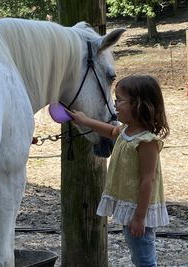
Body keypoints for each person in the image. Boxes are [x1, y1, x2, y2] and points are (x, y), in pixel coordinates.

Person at [67, 74, 170, 267]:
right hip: (131, 206)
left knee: (145, 258)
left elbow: (148, 181)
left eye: (120, 100)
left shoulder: (147, 141)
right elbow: (110, 131)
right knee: (137, 252)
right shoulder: (126, 130)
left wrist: (139, 218)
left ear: (138, 105)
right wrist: (84, 120)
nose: (115, 105)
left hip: (139, 211)